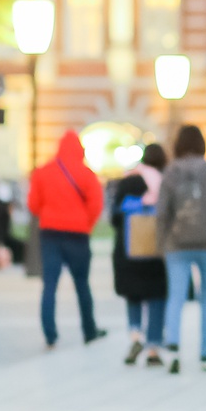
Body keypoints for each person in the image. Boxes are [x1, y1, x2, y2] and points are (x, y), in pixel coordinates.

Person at [158, 125, 206, 375]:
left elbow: (162, 213)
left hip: (176, 244)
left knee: (175, 297)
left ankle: (174, 349)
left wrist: (163, 242)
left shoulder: (170, 173)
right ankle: (205, 355)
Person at [27, 130, 106, 349]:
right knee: (82, 284)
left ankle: (50, 333)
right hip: (78, 236)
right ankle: (89, 330)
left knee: (49, 284)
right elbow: (96, 205)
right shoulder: (87, 174)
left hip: (50, 234)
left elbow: (33, 204)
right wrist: (85, 223)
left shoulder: (43, 173)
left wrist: (49, 214)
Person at [111, 143, 169, 368]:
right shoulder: (165, 182)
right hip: (156, 251)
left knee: (133, 293)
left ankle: (135, 335)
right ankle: (153, 348)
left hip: (128, 250)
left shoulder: (128, 181)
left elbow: (114, 218)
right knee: (156, 295)